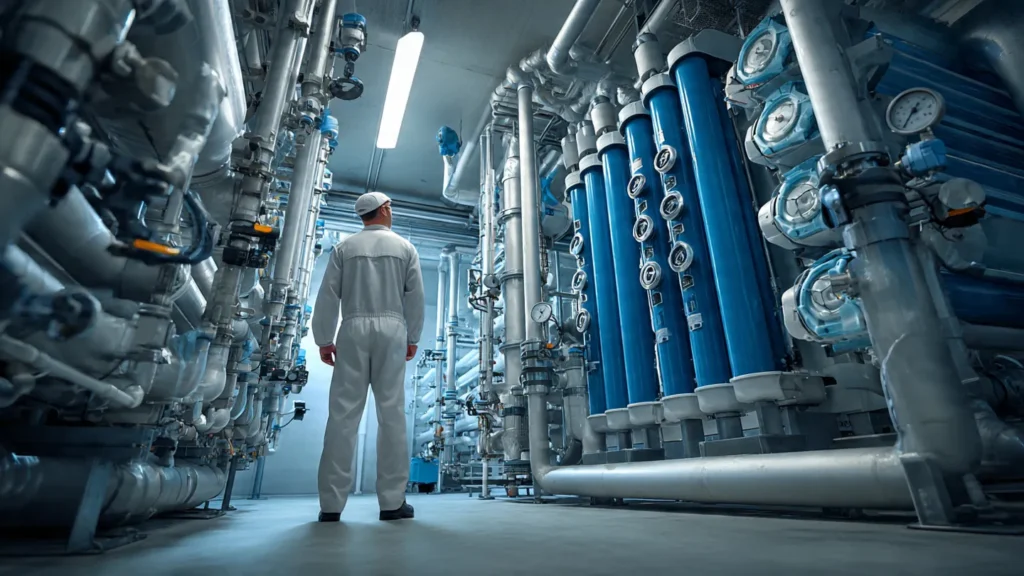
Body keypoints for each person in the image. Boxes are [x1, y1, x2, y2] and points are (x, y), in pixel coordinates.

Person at [311, 191, 425, 522]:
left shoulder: (344, 249)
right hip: (392, 328)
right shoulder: (405, 247)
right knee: (391, 414)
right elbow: (415, 298)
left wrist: (323, 338)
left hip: (352, 328)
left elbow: (328, 295)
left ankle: (330, 506)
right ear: (385, 209)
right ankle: (391, 503)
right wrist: (412, 336)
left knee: (342, 416)